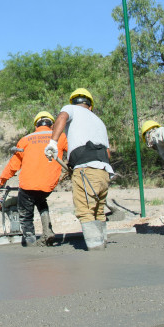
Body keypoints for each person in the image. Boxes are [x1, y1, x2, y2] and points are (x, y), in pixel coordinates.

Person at [44, 88, 113, 250]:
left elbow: (62, 117)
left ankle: (95, 249)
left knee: (85, 210)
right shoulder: (99, 121)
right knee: (98, 210)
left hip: (85, 169)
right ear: (90, 106)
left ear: (73, 102)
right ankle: (102, 243)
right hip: (103, 170)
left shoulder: (71, 109)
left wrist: (53, 142)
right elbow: (108, 152)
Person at [0, 111, 68, 246]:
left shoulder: (26, 139)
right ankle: (47, 229)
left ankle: (30, 239)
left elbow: (13, 165)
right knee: (40, 200)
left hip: (28, 185)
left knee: (26, 212)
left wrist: (1, 182)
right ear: (52, 125)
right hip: (48, 185)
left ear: (36, 126)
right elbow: (73, 152)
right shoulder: (60, 136)